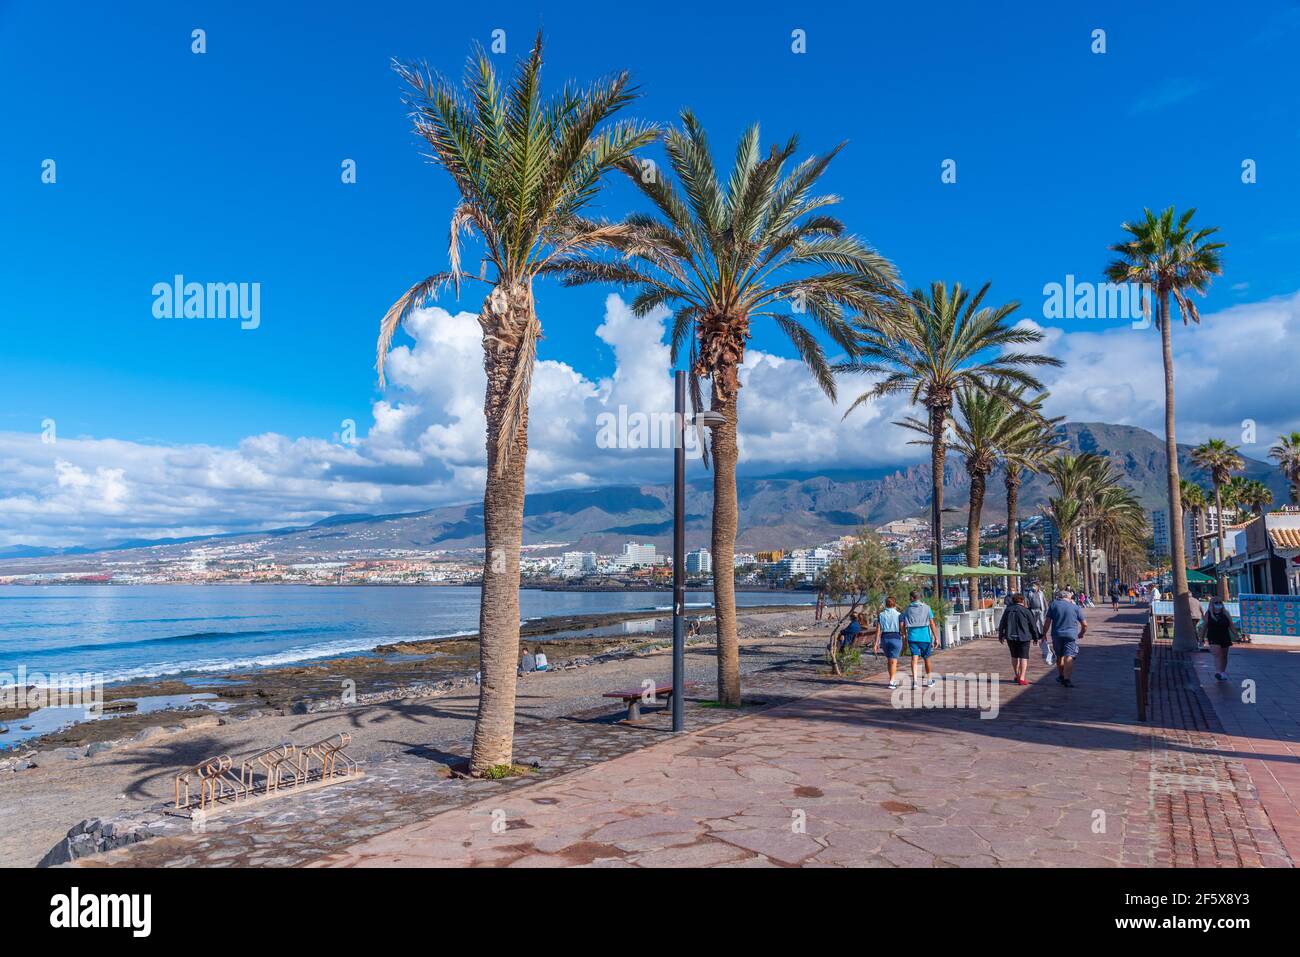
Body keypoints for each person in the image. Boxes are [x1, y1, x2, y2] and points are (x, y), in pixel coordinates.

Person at [1045, 588, 1087, 687]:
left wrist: (1044, 634)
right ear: (1067, 597)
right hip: (1071, 635)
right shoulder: (1075, 607)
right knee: (1069, 656)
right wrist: (1081, 633)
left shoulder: (1053, 605)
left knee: (1059, 656)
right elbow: (1085, 625)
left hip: (1057, 634)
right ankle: (1067, 679)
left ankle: (1061, 675)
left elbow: (1047, 622)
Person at [998, 592, 1042, 685]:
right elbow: (1032, 625)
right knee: (1023, 657)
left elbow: (1002, 623)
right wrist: (1035, 637)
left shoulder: (1008, 610)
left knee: (1014, 656)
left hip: (1010, 636)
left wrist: (1001, 635)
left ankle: (1017, 675)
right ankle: (1022, 678)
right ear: (1022, 601)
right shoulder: (1026, 611)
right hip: (1024, 637)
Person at [902, 591, 938, 689]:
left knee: (914, 658)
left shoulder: (907, 609)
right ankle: (929, 680)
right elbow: (932, 623)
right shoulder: (927, 608)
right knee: (927, 658)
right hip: (925, 637)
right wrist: (936, 637)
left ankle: (915, 682)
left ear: (912, 598)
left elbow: (903, 624)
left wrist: (904, 637)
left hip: (912, 636)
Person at [1198, 596, 1239, 680]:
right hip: (1213, 636)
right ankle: (1218, 672)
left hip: (1225, 636)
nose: (1218, 604)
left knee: (1224, 655)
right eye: (1216, 603)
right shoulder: (1208, 614)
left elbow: (1231, 625)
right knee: (1218, 655)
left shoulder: (1225, 613)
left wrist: (1236, 635)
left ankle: (1222, 671)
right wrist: (1201, 638)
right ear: (1212, 604)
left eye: (1220, 602)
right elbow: (1204, 626)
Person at [872, 596, 904, 689]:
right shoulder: (899, 614)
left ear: (886, 604)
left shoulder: (881, 615)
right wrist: (904, 636)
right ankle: (892, 681)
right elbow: (902, 628)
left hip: (885, 638)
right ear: (895, 604)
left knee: (889, 660)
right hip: (896, 637)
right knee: (893, 660)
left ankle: (891, 679)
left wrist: (876, 643)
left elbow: (878, 630)